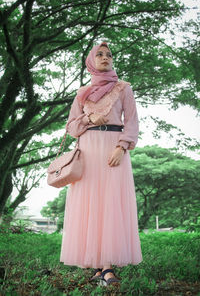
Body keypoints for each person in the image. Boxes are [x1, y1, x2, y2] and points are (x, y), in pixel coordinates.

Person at [60, 41, 143, 286]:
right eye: (99, 54)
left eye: (108, 54)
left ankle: (108, 267)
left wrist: (122, 146)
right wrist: (88, 117)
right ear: (90, 62)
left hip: (113, 148)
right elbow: (72, 127)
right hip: (87, 150)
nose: (105, 57)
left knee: (110, 202)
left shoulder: (123, 88)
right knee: (90, 204)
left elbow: (132, 122)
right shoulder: (81, 93)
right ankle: (97, 267)